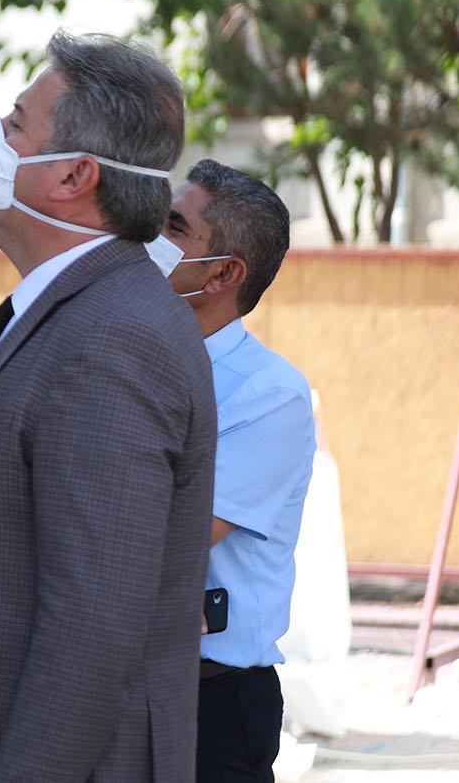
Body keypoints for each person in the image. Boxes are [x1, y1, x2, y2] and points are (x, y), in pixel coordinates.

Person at [0, 32, 218, 783]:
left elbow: (93, 627)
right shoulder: (79, 309)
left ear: (75, 175)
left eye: (17, 123)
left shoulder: (113, 337)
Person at [157, 160, 314, 783]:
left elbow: (174, 536)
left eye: (174, 228)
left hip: (212, 700)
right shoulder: (134, 353)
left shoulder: (268, 394)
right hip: (125, 682)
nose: (150, 239)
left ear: (224, 273)